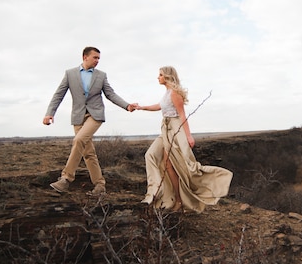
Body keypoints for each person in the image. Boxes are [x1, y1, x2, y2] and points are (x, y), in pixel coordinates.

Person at [136, 66, 232, 212]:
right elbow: (159, 106)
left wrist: (188, 136)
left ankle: (182, 199)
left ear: (167, 76)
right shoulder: (167, 93)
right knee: (150, 155)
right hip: (165, 129)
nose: (158, 77)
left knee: (181, 165)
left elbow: (182, 115)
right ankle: (155, 192)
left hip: (175, 129)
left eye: (160, 75)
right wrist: (141, 107)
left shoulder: (174, 93)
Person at [43, 46, 136, 196]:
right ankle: (100, 186)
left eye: (99, 58)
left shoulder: (101, 75)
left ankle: (66, 179)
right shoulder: (70, 74)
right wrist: (49, 113)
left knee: (79, 140)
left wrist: (127, 105)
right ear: (85, 57)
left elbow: (110, 94)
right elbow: (58, 95)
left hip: (95, 115)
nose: (97, 61)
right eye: (95, 57)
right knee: (88, 153)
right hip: (78, 117)